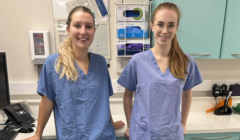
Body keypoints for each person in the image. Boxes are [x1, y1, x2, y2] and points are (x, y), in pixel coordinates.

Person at [23, 6, 124, 140]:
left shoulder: (100, 62)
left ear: (94, 30)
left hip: (103, 136)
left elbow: (102, 100)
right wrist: (37, 134)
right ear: (68, 30)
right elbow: (47, 102)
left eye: (88, 26)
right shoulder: (54, 63)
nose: (83, 31)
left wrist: (111, 122)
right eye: (77, 25)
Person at [117, 2, 202, 140]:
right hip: (143, 133)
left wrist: (183, 123)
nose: (165, 30)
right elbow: (127, 96)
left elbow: (187, 93)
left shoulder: (186, 62)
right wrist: (129, 125)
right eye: (160, 24)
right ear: (152, 26)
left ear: (176, 28)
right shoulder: (137, 61)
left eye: (171, 25)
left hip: (172, 134)